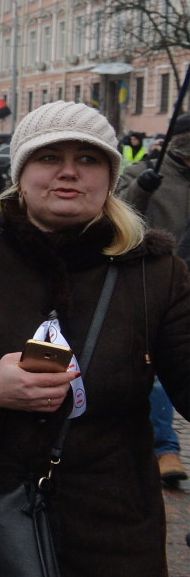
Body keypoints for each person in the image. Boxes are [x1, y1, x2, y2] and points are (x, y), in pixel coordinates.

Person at [0, 100, 190, 576]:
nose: (68, 173)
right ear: (21, 174)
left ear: (110, 176)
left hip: (109, 528)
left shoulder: (155, 272)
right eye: (49, 158)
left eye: (87, 160)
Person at [118, 112, 190, 487]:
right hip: (156, 283)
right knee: (159, 373)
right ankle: (166, 449)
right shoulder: (147, 172)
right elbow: (119, 216)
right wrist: (143, 188)